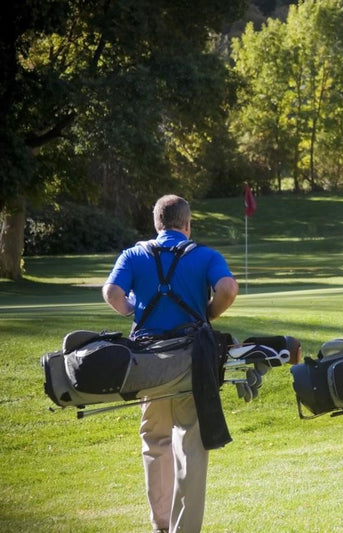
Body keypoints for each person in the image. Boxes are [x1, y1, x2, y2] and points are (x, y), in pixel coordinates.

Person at [103, 194, 239, 533]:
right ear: (187, 225)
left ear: (157, 224)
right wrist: (209, 312)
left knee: (154, 442)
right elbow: (228, 288)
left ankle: (160, 525)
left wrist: (132, 310)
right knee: (191, 444)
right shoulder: (206, 255)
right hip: (190, 361)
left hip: (148, 363)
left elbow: (111, 292)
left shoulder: (134, 254)